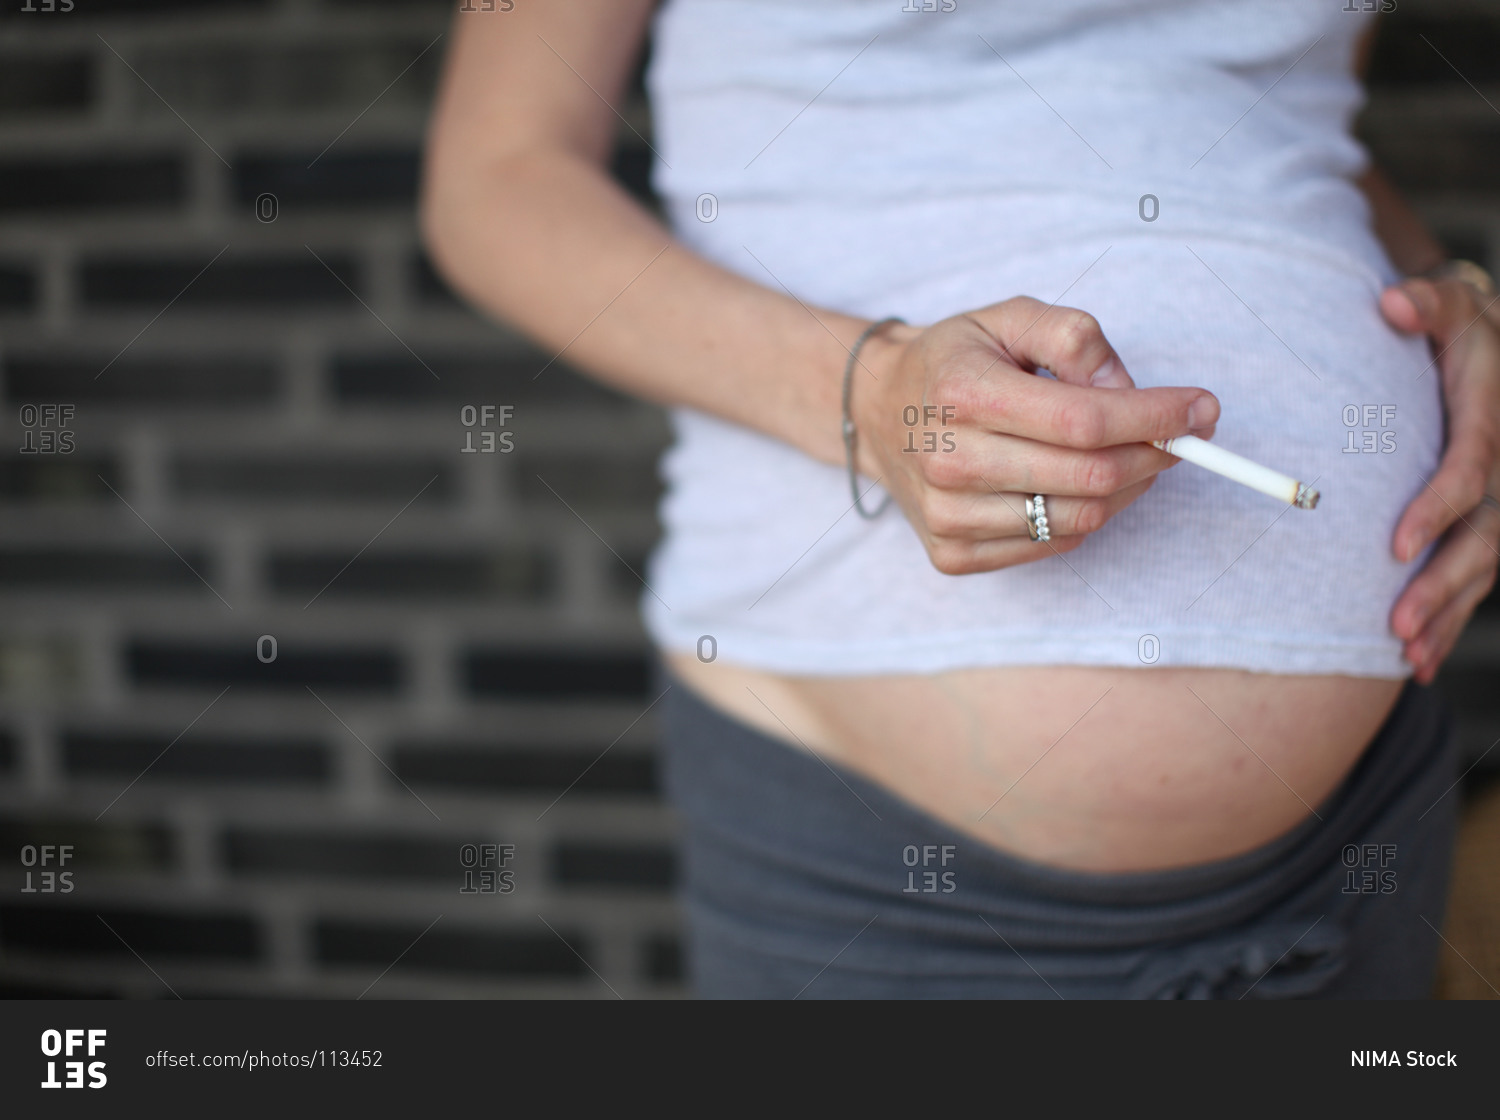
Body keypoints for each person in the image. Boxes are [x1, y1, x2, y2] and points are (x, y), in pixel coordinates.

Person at [421, 0, 1500, 997]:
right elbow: (497, 174)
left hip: (1366, 830)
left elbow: (1282, 120)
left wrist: (1451, 306)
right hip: (884, 874)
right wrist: (868, 392)